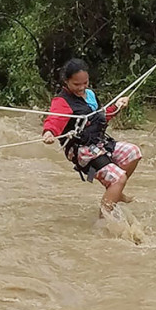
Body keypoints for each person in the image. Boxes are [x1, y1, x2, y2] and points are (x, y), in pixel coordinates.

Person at [40, 59, 141, 210]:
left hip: (99, 143)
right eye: (76, 84)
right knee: (119, 178)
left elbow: (101, 116)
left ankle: (115, 192)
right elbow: (54, 119)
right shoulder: (62, 101)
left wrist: (118, 105)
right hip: (81, 150)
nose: (82, 88)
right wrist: (49, 133)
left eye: (85, 83)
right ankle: (103, 221)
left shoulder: (90, 95)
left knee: (133, 153)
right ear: (66, 81)